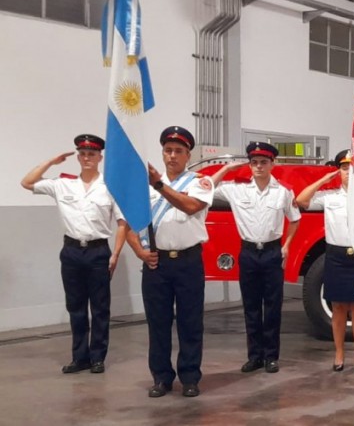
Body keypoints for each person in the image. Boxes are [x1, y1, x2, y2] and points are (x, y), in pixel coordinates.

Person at [20, 134, 127, 374]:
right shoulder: (63, 184)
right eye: (83, 154)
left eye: (92, 154)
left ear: (100, 157)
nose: (87, 158)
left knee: (100, 308)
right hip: (71, 252)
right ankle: (80, 357)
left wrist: (116, 254)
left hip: (98, 251)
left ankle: (98, 357)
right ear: (78, 157)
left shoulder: (109, 186)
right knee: (76, 307)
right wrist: (50, 162)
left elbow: (122, 222)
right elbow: (26, 183)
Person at [125, 126, 214, 398]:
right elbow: (128, 224)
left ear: (188, 155)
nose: (172, 156)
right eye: (168, 150)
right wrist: (139, 251)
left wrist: (159, 186)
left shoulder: (200, 182)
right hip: (156, 264)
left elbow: (190, 207)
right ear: (162, 153)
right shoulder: (144, 186)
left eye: (178, 151)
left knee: (190, 322)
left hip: (188, 261)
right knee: (158, 323)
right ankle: (161, 377)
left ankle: (189, 377)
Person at [210, 142, 301, 374]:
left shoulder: (283, 192)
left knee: (272, 307)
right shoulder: (236, 189)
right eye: (254, 162)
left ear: (273, 164)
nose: (258, 167)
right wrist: (229, 169)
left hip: (272, 253)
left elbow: (295, 218)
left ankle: (271, 357)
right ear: (249, 165)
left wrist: (287, 245)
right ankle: (254, 357)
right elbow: (208, 186)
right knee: (251, 307)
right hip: (249, 253)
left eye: (263, 162)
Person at [295, 149, 354, 372]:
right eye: (345, 168)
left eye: (353, 168)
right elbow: (301, 200)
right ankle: (338, 353)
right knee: (337, 307)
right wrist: (325, 179)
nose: (349, 173)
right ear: (339, 172)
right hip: (335, 256)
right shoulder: (330, 198)